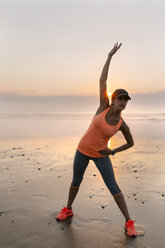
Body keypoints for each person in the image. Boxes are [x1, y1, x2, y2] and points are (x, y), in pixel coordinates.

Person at [56, 43, 138, 237]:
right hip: (82, 150)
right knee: (76, 181)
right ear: (113, 99)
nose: (123, 102)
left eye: (126, 100)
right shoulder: (103, 106)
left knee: (113, 187)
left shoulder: (121, 124)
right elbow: (102, 79)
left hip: (101, 155)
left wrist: (113, 151)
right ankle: (68, 209)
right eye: (120, 98)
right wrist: (109, 56)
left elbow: (131, 143)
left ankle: (129, 222)